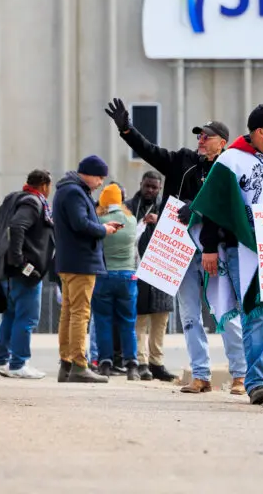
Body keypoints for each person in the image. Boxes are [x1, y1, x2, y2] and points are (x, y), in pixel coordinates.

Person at [106, 99, 247, 395]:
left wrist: (196, 212)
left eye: (207, 136)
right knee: (189, 315)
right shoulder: (183, 160)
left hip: (214, 249)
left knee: (226, 311)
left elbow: (226, 208)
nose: (201, 140)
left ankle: (240, 375)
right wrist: (127, 130)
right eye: (199, 135)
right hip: (178, 249)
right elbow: (149, 150)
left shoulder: (229, 167)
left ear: (222, 142)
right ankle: (201, 375)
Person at [190, 102, 263, 404]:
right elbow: (214, 206)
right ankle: (256, 382)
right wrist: (210, 247)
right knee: (255, 312)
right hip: (245, 249)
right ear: (259, 132)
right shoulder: (231, 160)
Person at [54, 155, 124, 384]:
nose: (101, 182)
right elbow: (81, 224)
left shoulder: (67, 189)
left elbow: (80, 222)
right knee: (80, 313)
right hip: (80, 262)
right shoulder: (74, 192)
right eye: (100, 177)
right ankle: (79, 365)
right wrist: (103, 229)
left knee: (68, 311)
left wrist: (101, 227)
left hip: (69, 261)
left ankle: (66, 364)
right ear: (89, 174)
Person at [0, 169, 55, 379]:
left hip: (10, 270)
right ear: (44, 185)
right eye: (49, 186)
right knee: (27, 318)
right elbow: (17, 226)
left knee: (12, 315)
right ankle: (18, 363)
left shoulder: (14, 198)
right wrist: (20, 260)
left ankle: (0, 360)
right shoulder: (33, 202)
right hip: (25, 271)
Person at [126, 172, 175, 382]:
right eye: (147, 186)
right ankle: (141, 362)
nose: (150, 191)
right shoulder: (128, 207)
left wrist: (160, 221)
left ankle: (157, 363)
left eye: (155, 187)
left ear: (160, 188)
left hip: (162, 270)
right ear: (141, 184)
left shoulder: (167, 208)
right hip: (137, 270)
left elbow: (177, 231)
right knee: (140, 320)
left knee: (160, 320)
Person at [91, 184, 140, 380]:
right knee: (128, 322)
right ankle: (132, 365)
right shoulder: (131, 219)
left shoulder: (98, 220)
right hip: (128, 276)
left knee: (103, 321)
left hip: (104, 275)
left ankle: (105, 363)